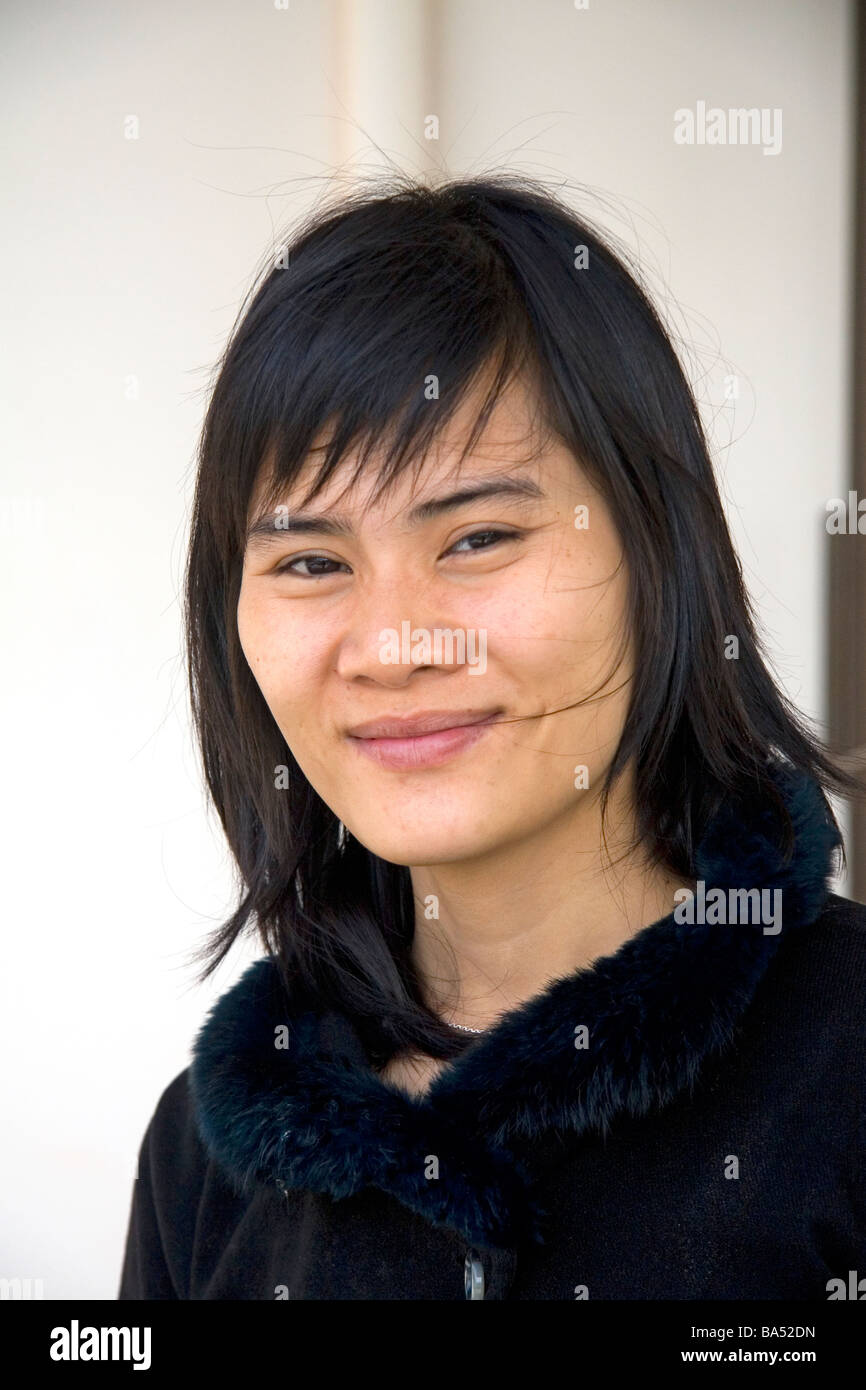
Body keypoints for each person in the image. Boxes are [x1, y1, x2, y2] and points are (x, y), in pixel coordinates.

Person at [118, 173, 866, 1301]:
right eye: (311, 562)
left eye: (475, 537)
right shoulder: (206, 1150)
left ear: (658, 557)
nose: (391, 644)